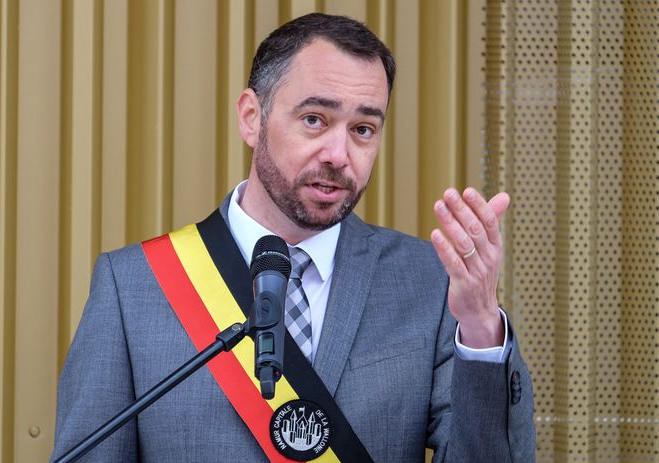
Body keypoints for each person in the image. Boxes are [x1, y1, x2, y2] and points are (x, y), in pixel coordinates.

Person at [51, 13, 535, 462]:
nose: (339, 154)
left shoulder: (428, 282)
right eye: (314, 120)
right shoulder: (135, 287)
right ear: (251, 117)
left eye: (363, 129)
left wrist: (481, 329)